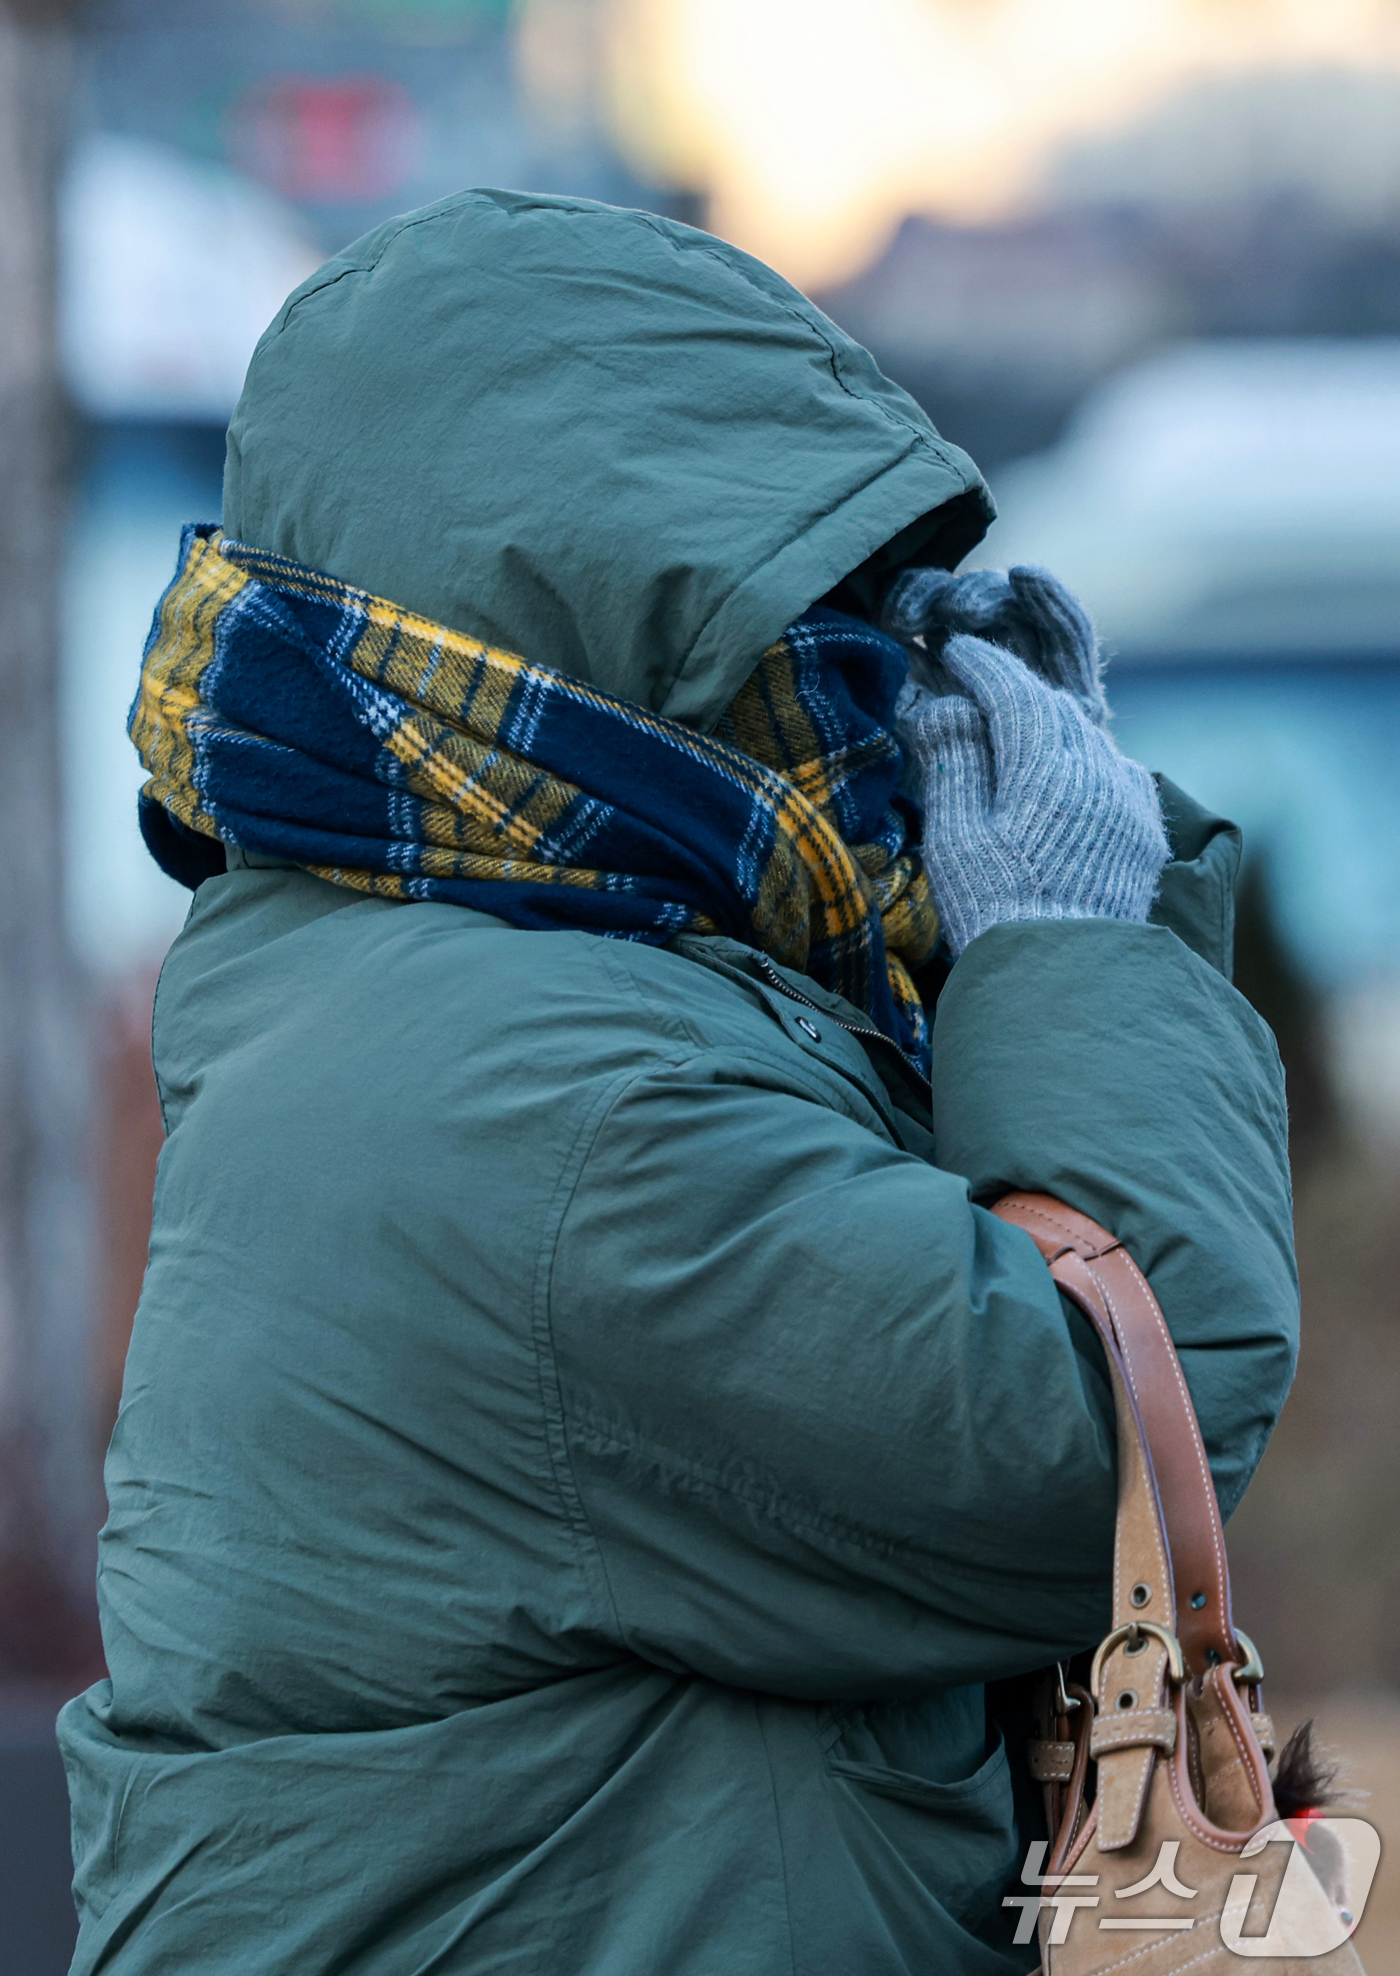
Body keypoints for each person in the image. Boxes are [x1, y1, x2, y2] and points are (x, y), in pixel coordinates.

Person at [60, 190, 1296, 1975]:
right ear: (608, 623)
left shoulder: (483, 967)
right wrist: (1072, 929)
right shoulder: (529, 1101)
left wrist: (1056, 918)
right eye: (807, 625)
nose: (864, 692)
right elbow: (1097, 1443)